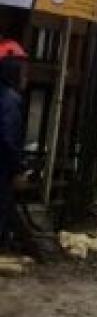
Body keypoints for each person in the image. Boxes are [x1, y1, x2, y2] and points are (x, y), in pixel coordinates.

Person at [0, 40, 28, 251]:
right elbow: (8, 137)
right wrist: (18, 168)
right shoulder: (10, 99)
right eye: (23, 71)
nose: (26, 77)